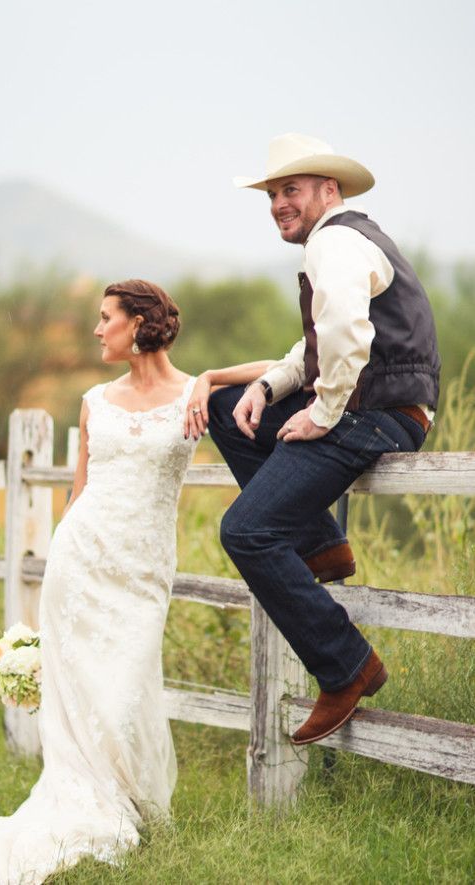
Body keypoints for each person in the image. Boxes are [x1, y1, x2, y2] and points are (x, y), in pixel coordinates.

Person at [0, 280, 199, 883]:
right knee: (83, 695)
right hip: (79, 563)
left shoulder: (194, 394)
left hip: (142, 574)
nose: (95, 329)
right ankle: (96, 805)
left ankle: (133, 805)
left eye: (105, 318)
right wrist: (62, 556)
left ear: (138, 324)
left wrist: (213, 380)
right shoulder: (94, 400)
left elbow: (281, 371)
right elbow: (77, 494)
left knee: (128, 687)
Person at [185, 133, 440, 747]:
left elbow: (349, 334)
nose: (277, 202)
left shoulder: (336, 240)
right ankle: (321, 546)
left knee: (245, 531)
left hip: (379, 412)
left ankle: (347, 666)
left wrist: (322, 414)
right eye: (272, 193)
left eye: (289, 190)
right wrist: (268, 390)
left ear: (329, 190)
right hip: (369, 404)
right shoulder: (342, 239)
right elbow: (317, 346)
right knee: (229, 410)